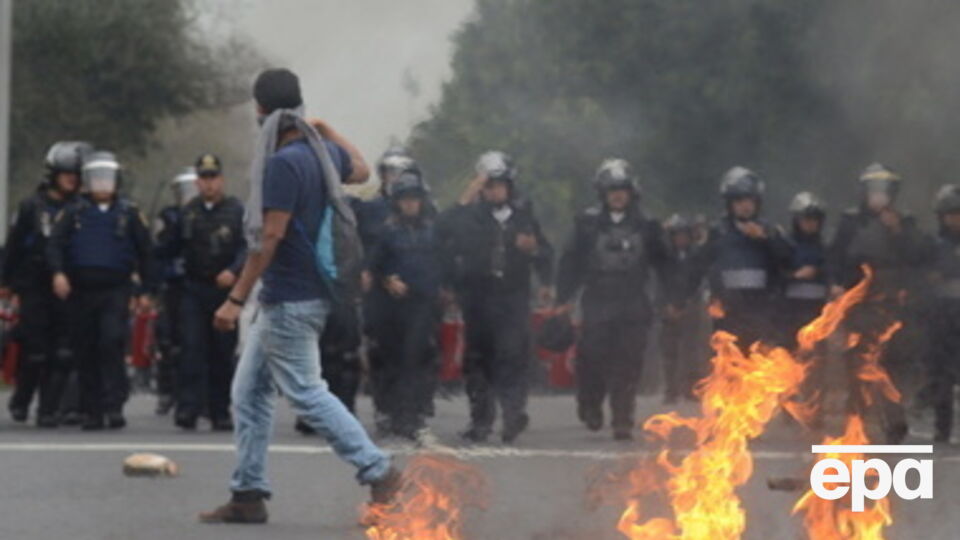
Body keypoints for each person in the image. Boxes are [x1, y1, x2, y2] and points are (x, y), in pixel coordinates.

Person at [199, 68, 400, 524]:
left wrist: (235, 299)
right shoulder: (322, 151)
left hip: (291, 297)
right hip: (304, 295)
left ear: (262, 111)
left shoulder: (285, 163)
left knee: (308, 393)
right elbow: (364, 169)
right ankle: (248, 494)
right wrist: (329, 131)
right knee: (248, 392)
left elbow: (268, 237)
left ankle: (380, 470)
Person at [442, 150, 554, 444]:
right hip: (477, 298)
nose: (495, 191)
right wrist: (467, 194)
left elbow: (545, 253)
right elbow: (441, 231)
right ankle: (480, 421)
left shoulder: (524, 216)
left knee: (513, 356)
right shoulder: (468, 217)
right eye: (488, 186)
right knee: (478, 360)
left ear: (510, 186)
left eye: (499, 185)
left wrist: (538, 261)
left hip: (513, 298)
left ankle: (513, 414)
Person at [555, 159, 666, 440]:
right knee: (592, 355)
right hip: (598, 298)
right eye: (612, 190)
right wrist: (564, 297)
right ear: (602, 193)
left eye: (622, 190)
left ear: (632, 193)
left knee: (629, 361)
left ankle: (622, 417)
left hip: (633, 299)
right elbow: (571, 261)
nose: (617, 195)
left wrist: (672, 296)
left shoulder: (647, 225)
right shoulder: (587, 223)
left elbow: (664, 263)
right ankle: (590, 402)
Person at [46, 150, 155, 430]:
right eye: (97, 179)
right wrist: (58, 273)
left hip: (115, 289)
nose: (102, 186)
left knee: (111, 341)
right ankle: (91, 410)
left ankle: (113, 404)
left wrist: (146, 291)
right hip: (82, 290)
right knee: (85, 347)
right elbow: (55, 244)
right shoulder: (74, 212)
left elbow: (146, 252)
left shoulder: (128, 213)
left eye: (107, 179)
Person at [827, 163, 929, 443]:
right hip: (858, 306)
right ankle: (855, 421)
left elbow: (919, 257)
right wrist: (836, 285)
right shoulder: (850, 222)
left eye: (884, 192)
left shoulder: (904, 223)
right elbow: (835, 257)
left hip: (891, 308)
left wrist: (898, 232)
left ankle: (894, 421)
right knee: (856, 363)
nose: (879, 197)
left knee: (891, 364)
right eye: (874, 192)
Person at [1, 141, 91, 427]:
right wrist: (5, 282)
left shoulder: (81, 208)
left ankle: (48, 409)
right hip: (35, 286)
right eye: (66, 173)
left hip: (69, 287)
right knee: (34, 348)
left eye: (75, 174)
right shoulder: (31, 207)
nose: (71, 179)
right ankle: (21, 399)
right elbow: (14, 247)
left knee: (63, 351)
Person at [159, 154, 246, 431]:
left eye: (213, 178)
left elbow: (247, 248)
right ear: (197, 182)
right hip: (194, 289)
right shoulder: (188, 212)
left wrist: (234, 270)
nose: (209, 184)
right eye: (204, 179)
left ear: (221, 179)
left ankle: (220, 410)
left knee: (222, 352)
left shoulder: (236, 210)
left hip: (225, 292)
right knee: (191, 350)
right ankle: (188, 408)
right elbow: (168, 249)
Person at [367, 168, 447, 439]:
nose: (410, 204)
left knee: (419, 357)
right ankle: (391, 412)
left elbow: (446, 262)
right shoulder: (386, 232)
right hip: (392, 307)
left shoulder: (434, 230)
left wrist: (447, 289)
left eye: (414, 198)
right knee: (392, 359)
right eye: (405, 199)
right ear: (396, 202)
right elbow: (371, 266)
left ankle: (415, 414)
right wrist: (387, 279)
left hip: (424, 304)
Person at [698, 166, 791, 351]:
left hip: (763, 316)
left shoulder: (771, 231)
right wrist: (708, 295)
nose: (745, 206)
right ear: (729, 203)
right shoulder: (717, 232)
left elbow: (788, 260)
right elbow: (700, 265)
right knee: (728, 370)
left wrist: (767, 239)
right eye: (739, 200)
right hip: (728, 318)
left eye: (750, 200)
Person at [152, 167, 198, 416]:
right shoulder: (169, 216)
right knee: (167, 341)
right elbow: (159, 250)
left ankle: (194, 394)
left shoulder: (207, 214)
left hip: (197, 284)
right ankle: (166, 390)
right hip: (172, 286)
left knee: (195, 343)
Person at [657, 213, 704, 405]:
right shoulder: (663, 258)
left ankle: (690, 388)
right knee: (669, 352)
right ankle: (671, 390)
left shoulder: (696, 255)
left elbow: (698, 280)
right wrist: (665, 305)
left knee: (692, 350)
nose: (680, 239)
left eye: (684, 235)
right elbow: (659, 283)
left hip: (691, 306)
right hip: (667, 307)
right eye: (676, 235)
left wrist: (690, 303)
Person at [926, 184, 960, 443]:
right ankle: (942, 427)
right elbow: (927, 276)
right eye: (951, 213)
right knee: (941, 374)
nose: (955, 218)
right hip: (942, 314)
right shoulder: (934, 245)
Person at [779, 192, 830, 347]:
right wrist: (794, 276)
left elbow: (832, 271)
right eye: (806, 219)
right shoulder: (784, 245)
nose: (810, 223)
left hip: (817, 314)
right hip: (788, 314)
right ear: (797, 220)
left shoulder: (825, 247)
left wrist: (820, 273)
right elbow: (774, 275)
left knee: (816, 360)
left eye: (815, 219)